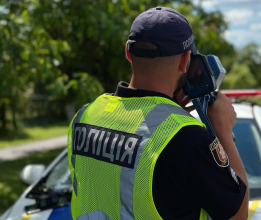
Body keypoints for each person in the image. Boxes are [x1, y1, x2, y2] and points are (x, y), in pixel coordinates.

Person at [67, 6, 248, 220]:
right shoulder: (188, 138)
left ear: (128, 53)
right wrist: (223, 130)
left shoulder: (85, 116)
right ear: (185, 60)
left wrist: (170, 111)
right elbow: (238, 216)